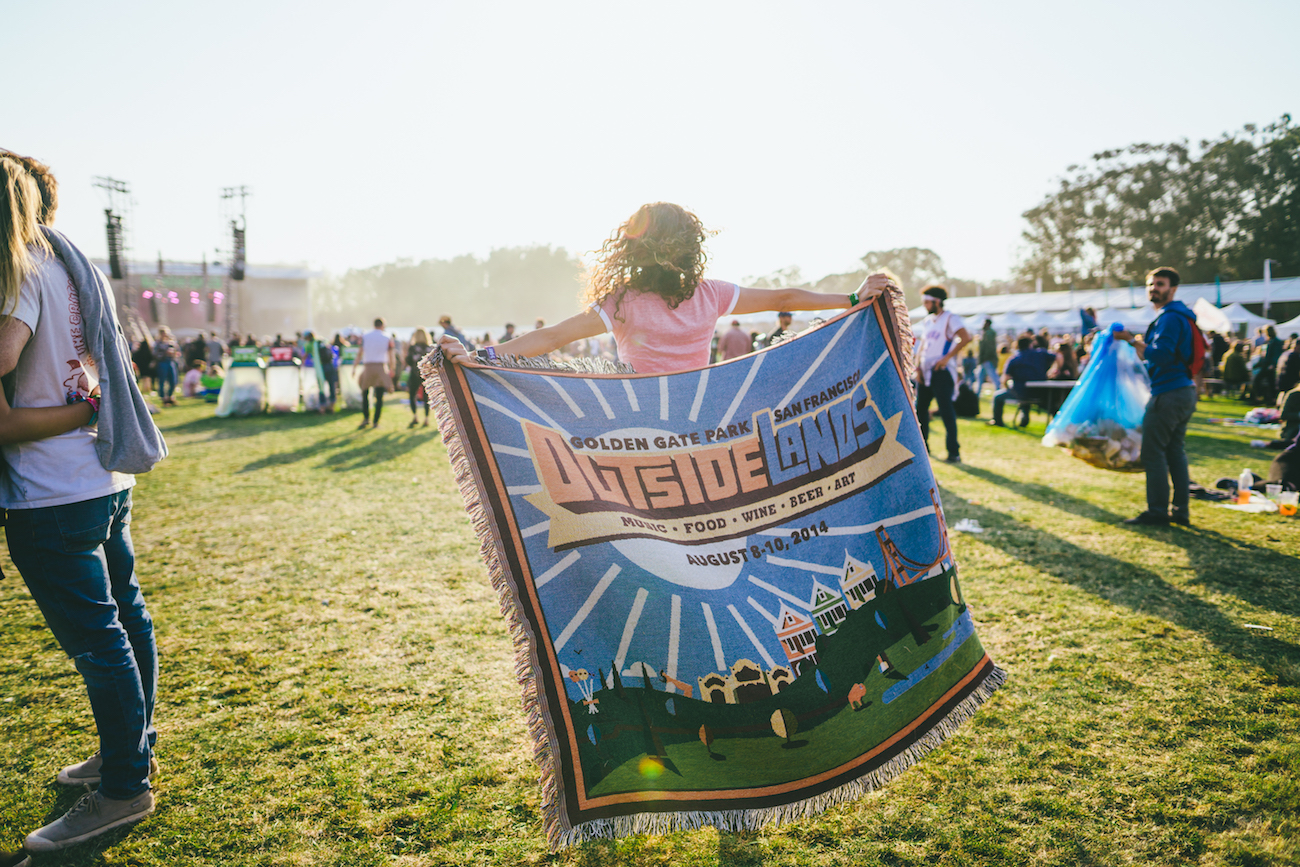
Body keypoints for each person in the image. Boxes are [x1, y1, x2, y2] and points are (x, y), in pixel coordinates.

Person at [1, 155, 159, 853]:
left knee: (101, 641)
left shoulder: (20, 273)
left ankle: (124, 788)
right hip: (101, 477)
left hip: (51, 490)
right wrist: (85, 412)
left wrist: (69, 416)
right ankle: (131, 754)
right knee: (126, 620)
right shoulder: (69, 263)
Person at [438, 201, 892, 378]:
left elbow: (552, 337)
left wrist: (484, 356)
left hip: (636, 424)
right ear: (691, 248)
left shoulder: (623, 301)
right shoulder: (710, 293)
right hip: (701, 417)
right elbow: (783, 299)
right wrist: (851, 298)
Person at [1114, 267, 1199, 526]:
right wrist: (1142, 344)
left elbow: (1162, 355)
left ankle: (1158, 512)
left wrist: (1131, 340)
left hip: (1169, 393)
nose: (1154, 289)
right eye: (1150, 284)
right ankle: (1180, 511)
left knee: (1153, 453)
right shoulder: (1180, 316)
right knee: (1174, 452)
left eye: (1159, 284)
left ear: (1172, 289)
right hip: (1183, 390)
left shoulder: (1170, 317)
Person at [913, 286, 972, 463]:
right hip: (925, 371)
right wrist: (917, 367)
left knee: (946, 411)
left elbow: (965, 337)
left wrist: (946, 359)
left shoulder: (950, 318)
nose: (924, 305)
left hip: (941, 371)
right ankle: (924, 448)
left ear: (937, 301)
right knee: (920, 410)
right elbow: (923, 345)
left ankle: (953, 451)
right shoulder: (927, 321)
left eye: (927, 302)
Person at [988, 335, 1054, 427]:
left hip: (1020, 393)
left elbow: (1004, 379)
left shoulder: (1014, 359)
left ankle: (997, 421)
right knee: (1024, 393)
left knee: (997, 396)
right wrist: (1055, 369)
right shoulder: (1041, 354)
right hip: (1041, 393)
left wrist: (1008, 388)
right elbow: (1058, 356)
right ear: (1030, 344)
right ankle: (1024, 418)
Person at [355, 317, 394, 429]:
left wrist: (355, 366)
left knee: (365, 393)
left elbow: (359, 353)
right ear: (383, 325)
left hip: (368, 366)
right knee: (379, 396)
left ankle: (366, 418)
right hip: (381, 366)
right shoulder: (387, 337)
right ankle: (376, 421)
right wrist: (392, 369)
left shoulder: (365, 336)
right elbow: (391, 356)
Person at [405, 327, 433, 428]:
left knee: (412, 395)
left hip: (414, 373)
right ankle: (426, 418)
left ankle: (415, 416)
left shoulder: (412, 347)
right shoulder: (429, 348)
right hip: (426, 375)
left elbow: (408, 361)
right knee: (426, 397)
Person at [152, 327, 180, 406]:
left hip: (171, 361)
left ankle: (170, 396)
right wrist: (165, 353)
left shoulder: (171, 342)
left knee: (173, 380)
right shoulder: (158, 343)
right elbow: (154, 354)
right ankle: (163, 398)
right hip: (162, 362)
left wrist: (174, 353)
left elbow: (176, 351)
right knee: (162, 380)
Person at [974, 318, 999, 394]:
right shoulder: (986, 333)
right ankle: (976, 395)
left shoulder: (989, 333)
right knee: (980, 378)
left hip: (987, 359)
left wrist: (984, 358)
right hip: (985, 359)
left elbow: (988, 347)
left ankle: (998, 393)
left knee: (993, 377)